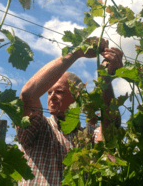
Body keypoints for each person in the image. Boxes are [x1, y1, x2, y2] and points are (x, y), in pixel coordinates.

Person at [16, 37, 124, 186]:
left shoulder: (89, 136)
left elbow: (111, 127)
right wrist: (77, 52)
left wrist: (105, 80)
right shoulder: (39, 126)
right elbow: (28, 95)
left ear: (78, 95)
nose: (52, 97)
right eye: (49, 92)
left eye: (59, 91)